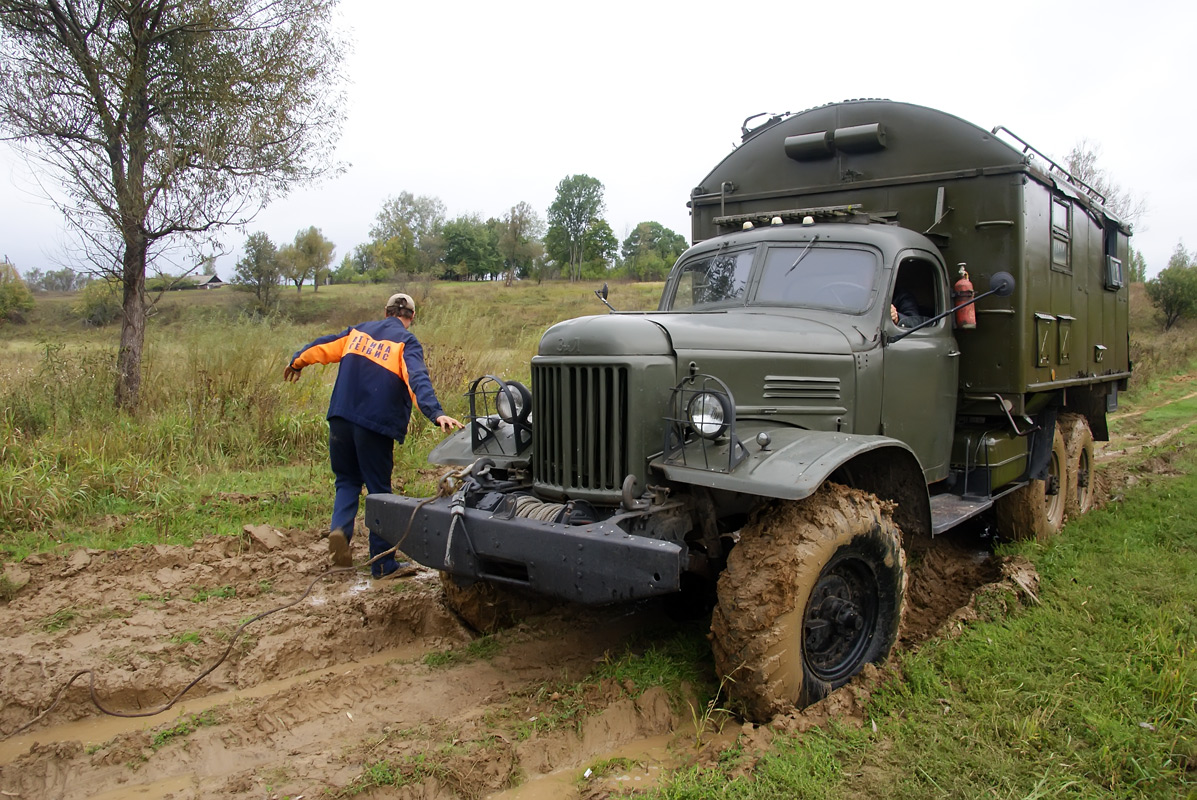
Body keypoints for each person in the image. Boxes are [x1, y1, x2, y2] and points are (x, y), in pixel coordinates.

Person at [284, 292, 464, 577]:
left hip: (341, 418)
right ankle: (382, 564)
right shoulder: (406, 341)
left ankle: (340, 534)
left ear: (386, 311)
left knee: (346, 480)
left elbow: (322, 346)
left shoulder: (357, 333)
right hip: (374, 425)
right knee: (380, 491)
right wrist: (435, 412)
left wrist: (297, 362)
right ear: (412, 317)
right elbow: (416, 379)